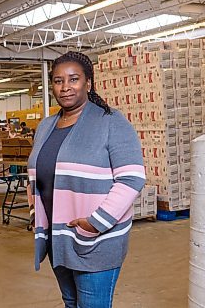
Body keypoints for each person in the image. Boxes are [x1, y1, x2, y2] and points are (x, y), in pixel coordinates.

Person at [27, 51, 145, 308]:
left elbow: (132, 178)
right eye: (58, 81)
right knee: (71, 303)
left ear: (88, 83)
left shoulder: (111, 122)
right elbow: (36, 172)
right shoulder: (46, 126)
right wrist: (36, 210)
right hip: (58, 238)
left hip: (95, 239)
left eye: (73, 79)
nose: (65, 87)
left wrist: (95, 223)